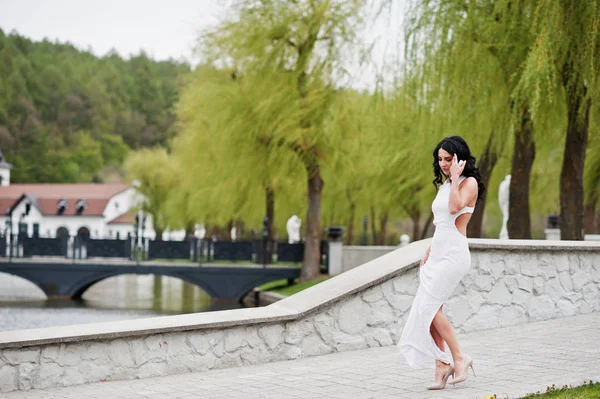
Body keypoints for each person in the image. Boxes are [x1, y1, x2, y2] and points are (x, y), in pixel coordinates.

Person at [397, 136, 486, 390]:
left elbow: (454, 208)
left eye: (449, 159)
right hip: (438, 252)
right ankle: (441, 364)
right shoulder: (446, 184)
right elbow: (441, 224)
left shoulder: (467, 183)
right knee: (432, 309)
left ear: (460, 159)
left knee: (428, 308)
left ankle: (459, 357)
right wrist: (430, 248)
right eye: (440, 159)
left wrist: (457, 177)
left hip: (454, 255)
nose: (444, 164)